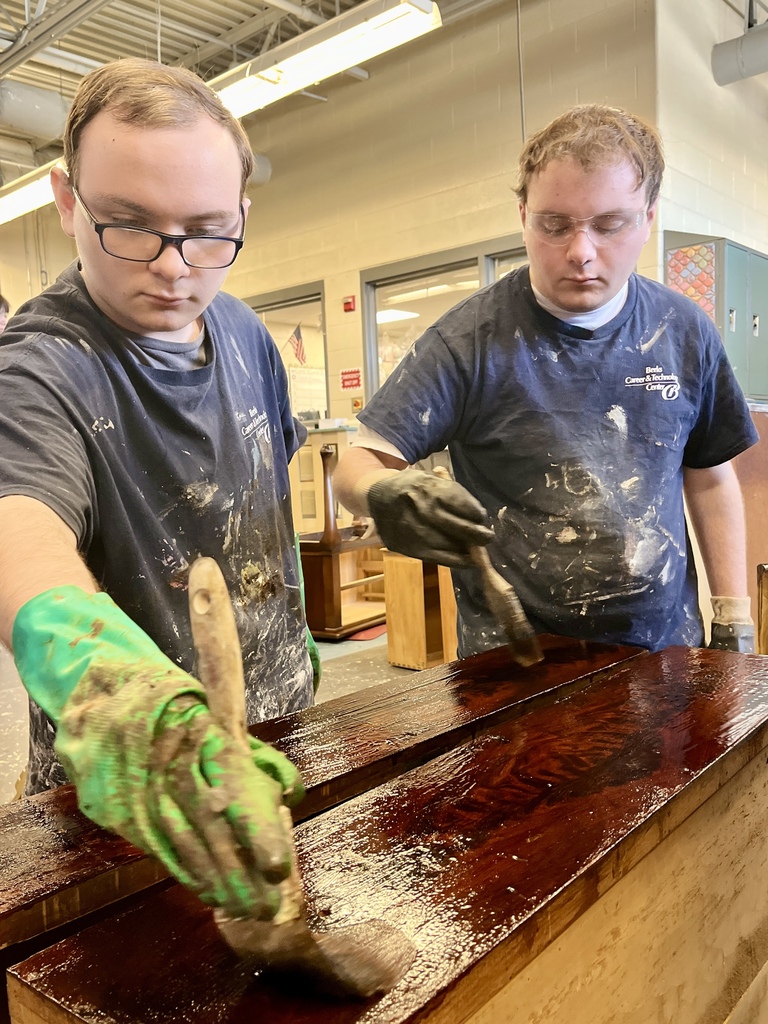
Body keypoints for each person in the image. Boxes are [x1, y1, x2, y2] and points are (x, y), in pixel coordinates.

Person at [0, 58, 317, 923]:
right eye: (129, 225)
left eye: (209, 231)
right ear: (67, 200)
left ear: (243, 214)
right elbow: (19, 535)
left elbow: (266, 497)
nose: (175, 267)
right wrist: (115, 690)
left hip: (285, 738)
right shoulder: (39, 368)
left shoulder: (246, 331)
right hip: (135, 796)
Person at [334, 104, 758, 658]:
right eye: (554, 225)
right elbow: (351, 470)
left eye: (609, 224)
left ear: (648, 216)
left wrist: (733, 615)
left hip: (661, 654)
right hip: (514, 660)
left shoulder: (683, 331)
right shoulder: (469, 341)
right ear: (523, 215)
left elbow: (709, 476)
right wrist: (384, 490)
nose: (580, 252)